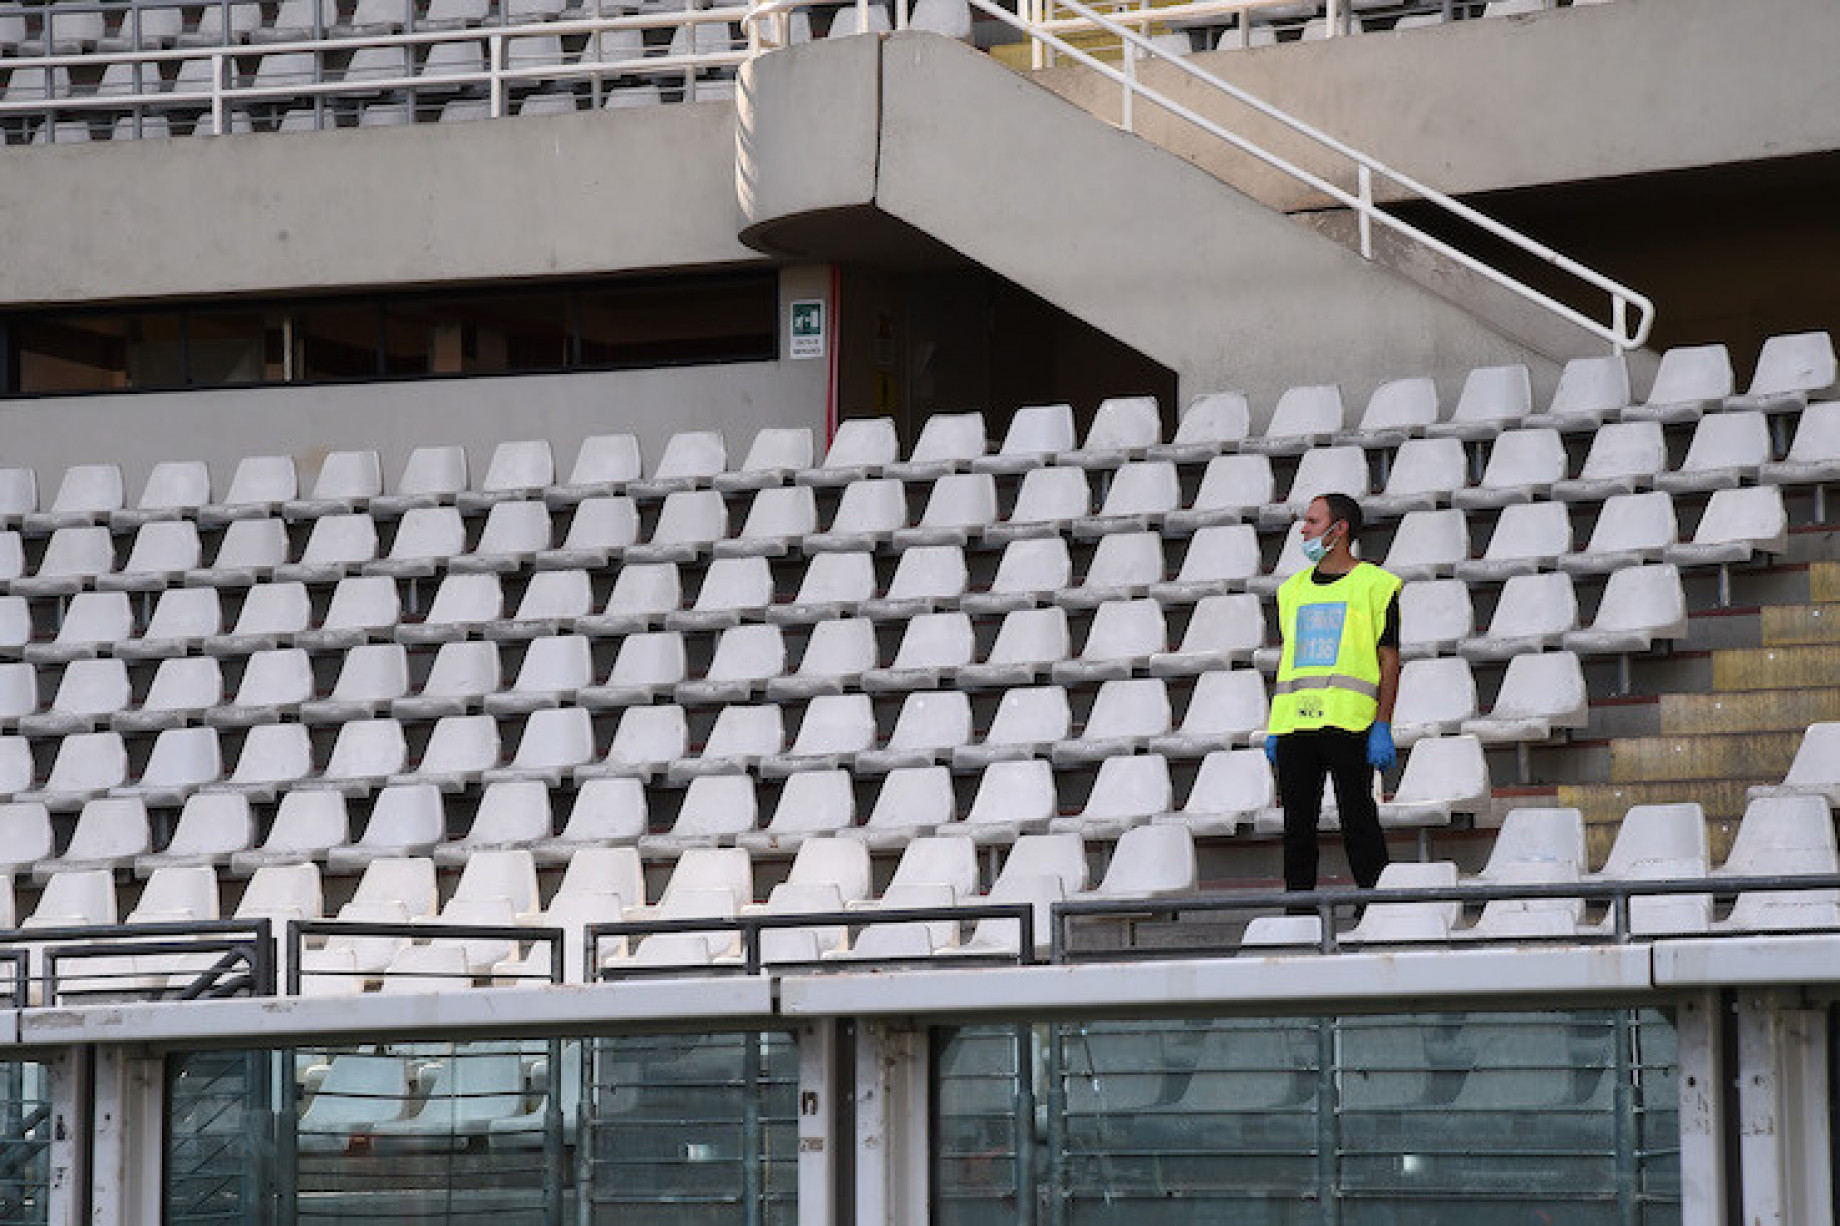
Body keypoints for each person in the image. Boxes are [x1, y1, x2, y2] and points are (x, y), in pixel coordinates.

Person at [1263, 492, 1401, 893]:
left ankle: (1376, 907)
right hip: (1294, 725)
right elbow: (1290, 660)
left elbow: (1388, 660)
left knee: (1358, 819)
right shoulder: (1291, 590)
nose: (1303, 530)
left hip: (1349, 722)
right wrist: (1275, 725)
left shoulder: (1377, 585)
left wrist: (1382, 724)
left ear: (1339, 530)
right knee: (1297, 829)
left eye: (1312, 522)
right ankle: (1299, 916)